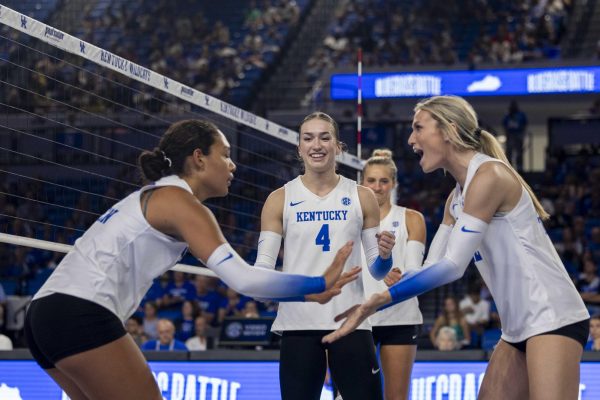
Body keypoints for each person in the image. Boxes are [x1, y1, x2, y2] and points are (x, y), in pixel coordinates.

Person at [23, 119, 358, 400]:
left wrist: (307, 290)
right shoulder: (179, 201)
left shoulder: (157, 195)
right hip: (80, 311)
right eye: (225, 155)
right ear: (199, 158)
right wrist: (317, 282)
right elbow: (244, 280)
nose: (232, 165)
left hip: (44, 315)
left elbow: (254, 287)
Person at [323, 96, 591, 400]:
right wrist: (379, 278)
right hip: (516, 328)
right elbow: (428, 268)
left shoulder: (490, 176)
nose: (410, 139)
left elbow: (452, 266)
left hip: (553, 316)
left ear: (448, 130)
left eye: (418, 128)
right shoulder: (456, 198)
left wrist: (376, 302)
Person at [257, 111, 395, 400]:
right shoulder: (279, 199)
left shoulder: (362, 196)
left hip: (350, 321)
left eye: (324, 137)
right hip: (298, 324)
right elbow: (263, 272)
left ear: (338, 146)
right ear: (299, 148)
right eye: (308, 138)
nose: (316, 145)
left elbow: (377, 269)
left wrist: (385, 256)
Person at [360, 148, 426, 400]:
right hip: (359, 317)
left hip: (400, 317)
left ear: (393, 184)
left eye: (384, 181)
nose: (377, 187)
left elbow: (414, 269)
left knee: (396, 397)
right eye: (371, 180)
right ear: (362, 182)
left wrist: (397, 273)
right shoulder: (350, 220)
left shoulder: (412, 218)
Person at [502, 100, 528, 171]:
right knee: (509, 153)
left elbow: (524, 124)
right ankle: (509, 168)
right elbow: (504, 124)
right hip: (510, 136)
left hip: (518, 136)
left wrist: (522, 134)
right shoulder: (507, 115)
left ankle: (520, 169)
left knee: (519, 153)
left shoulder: (521, 115)